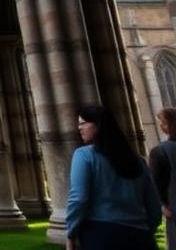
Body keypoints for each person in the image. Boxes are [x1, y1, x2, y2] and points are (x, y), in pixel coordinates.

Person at [66, 104, 160, 250]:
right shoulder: (138, 161)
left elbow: (78, 198)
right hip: (141, 236)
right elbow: (153, 204)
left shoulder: (84, 155)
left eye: (83, 123)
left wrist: (71, 232)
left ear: (99, 125)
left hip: (101, 235)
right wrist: (147, 230)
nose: (79, 128)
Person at [151, 107, 176, 250]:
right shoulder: (160, 151)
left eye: (163, 122)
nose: (160, 126)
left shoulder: (160, 152)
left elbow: (155, 184)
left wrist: (162, 205)